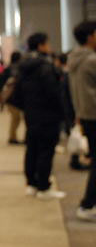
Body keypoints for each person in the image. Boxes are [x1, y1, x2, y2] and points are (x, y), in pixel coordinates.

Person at [12, 32, 66, 200]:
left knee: (32, 149)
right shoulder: (46, 67)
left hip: (31, 115)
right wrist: (62, 113)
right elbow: (54, 93)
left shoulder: (23, 67)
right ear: (41, 45)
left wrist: (28, 108)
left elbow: (16, 94)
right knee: (46, 151)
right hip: (48, 116)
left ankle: (31, 184)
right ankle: (44, 187)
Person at [67, 20, 96, 221]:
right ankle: (87, 204)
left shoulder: (75, 59)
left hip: (86, 115)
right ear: (90, 37)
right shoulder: (91, 60)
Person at [0, 51, 24, 145]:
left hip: (10, 97)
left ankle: (13, 137)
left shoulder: (7, 69)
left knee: (16, 118)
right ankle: (12, 137)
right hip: (15, 97)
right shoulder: (18, 69)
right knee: (16, 118)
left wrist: (0, 93)